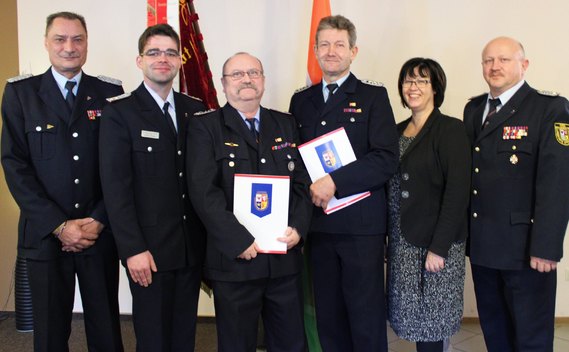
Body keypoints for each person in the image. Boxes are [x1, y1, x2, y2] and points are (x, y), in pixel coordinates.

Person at [0, 11, 123, 351]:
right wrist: (58, 225)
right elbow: (14, 165)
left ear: (86, 44)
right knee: (51, 332)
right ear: (46, 43)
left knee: (106, 329)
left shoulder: (110, 93)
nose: (69, 47)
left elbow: (117, 167)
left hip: (98, 233)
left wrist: (97, 219)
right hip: (45, 235)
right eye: (60, 39)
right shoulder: (21, 94)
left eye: (77, 39)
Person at [186, 52, 312, 352]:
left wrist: (298, 228)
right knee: (237, 344)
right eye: (237, 74)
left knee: (291, 344)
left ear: (263, 81)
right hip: (236, 261)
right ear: (224, 83)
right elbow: (204, 193)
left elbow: (303, 183)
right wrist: (238, 240)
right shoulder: (206, 127)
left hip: (283, 259)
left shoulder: (286, 123)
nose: (246, 79)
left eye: (254, 73)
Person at [289, 15, 398, 351]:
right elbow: (295, 158)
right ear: (315, 51)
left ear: (353, 51)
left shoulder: (372, 96)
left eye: (339, 45)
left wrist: (334, 181)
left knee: (365, 317)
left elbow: (385, 158)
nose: (331, 51)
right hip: (319, 225)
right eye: (324, 44)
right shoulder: (301, 101)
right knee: (329, 318)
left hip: (360, 228)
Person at [99, 23, 206, 351]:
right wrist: (132, 249)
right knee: (153, 338)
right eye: (154, 52)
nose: (163, 59)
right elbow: (115, 188)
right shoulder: (120, 112)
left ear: (179, 61)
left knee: (184, 335)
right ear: (139, 60)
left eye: (171, 53)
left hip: (190, 248)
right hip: (148, 251)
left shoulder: (195, 109)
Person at [464, 36, 569, 351]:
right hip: (482, 246)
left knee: (531, 337)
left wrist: (547, 246)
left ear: (524, 65)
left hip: (526, 250)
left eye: (504, 59)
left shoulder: (549, 108)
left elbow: (558, 182)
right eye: (488, 60)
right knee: (495, 333)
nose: (495, 66)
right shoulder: (473, 109)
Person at [386, 58, 471, 352]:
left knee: (434, 322)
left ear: (435, 87)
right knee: (413, 319)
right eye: (408, 80)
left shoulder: (450, 130)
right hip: (403, 242)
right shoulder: (394, 131)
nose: (414, 87)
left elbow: (458, 192)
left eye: (422, 81)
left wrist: (440, 246)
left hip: (435, 243)